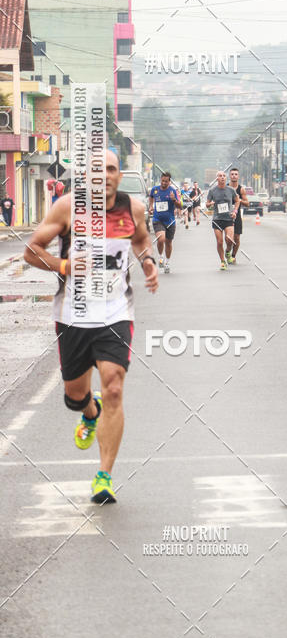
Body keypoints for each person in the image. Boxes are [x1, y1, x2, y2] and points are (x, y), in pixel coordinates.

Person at [23, 149, 158, 503]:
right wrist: (65, 266)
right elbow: (31, 250)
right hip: (73, 315)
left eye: (112, 169)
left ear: (118, 175)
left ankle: (104, 476)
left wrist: (147, 264)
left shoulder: (133, 209)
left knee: (114, 386)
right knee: (74, 395)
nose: (106, 176)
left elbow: (141, 240)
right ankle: (89, 410)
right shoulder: (67, 208)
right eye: (99, 170)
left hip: (115, 313)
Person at [148, 172, 182, 273]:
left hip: (170, 221)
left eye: (166, 181)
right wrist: (151, 206)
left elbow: (180, 206)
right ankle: (161, 257)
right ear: (160, 180)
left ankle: (167, 262)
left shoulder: (173, 191)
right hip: (157, 219)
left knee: (168, 242)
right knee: (161, 238)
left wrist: (174, 200)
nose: (163, 183)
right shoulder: (155, 190)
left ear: (169, 182)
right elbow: (151, 197)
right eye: (162, 181)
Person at [206, 171, 239, 270]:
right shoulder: (212, 191)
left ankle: (228, 251)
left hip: (228, 218)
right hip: (217, 219)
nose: (222, 177)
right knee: (219, 242)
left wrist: (235, 211)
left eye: (224, 176)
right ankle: (222, 261)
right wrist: (210, 204)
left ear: (226, 178)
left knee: (229, 239)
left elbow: (237, 200)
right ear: (217, 179)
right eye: (220, 176)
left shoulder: (231, 190)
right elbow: (207, 204)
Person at [228, 167, 249, 264]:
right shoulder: (226, 187)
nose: (234, 176)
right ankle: (227, 251)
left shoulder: (241, 189)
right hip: (226, 216)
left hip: (237, 216)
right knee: (228, 238)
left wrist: (239, 200)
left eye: (236, 174)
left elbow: (247, 203)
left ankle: (233, 256)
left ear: (238, 176)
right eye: (232, 174)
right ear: (229, 175)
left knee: (236, 237)